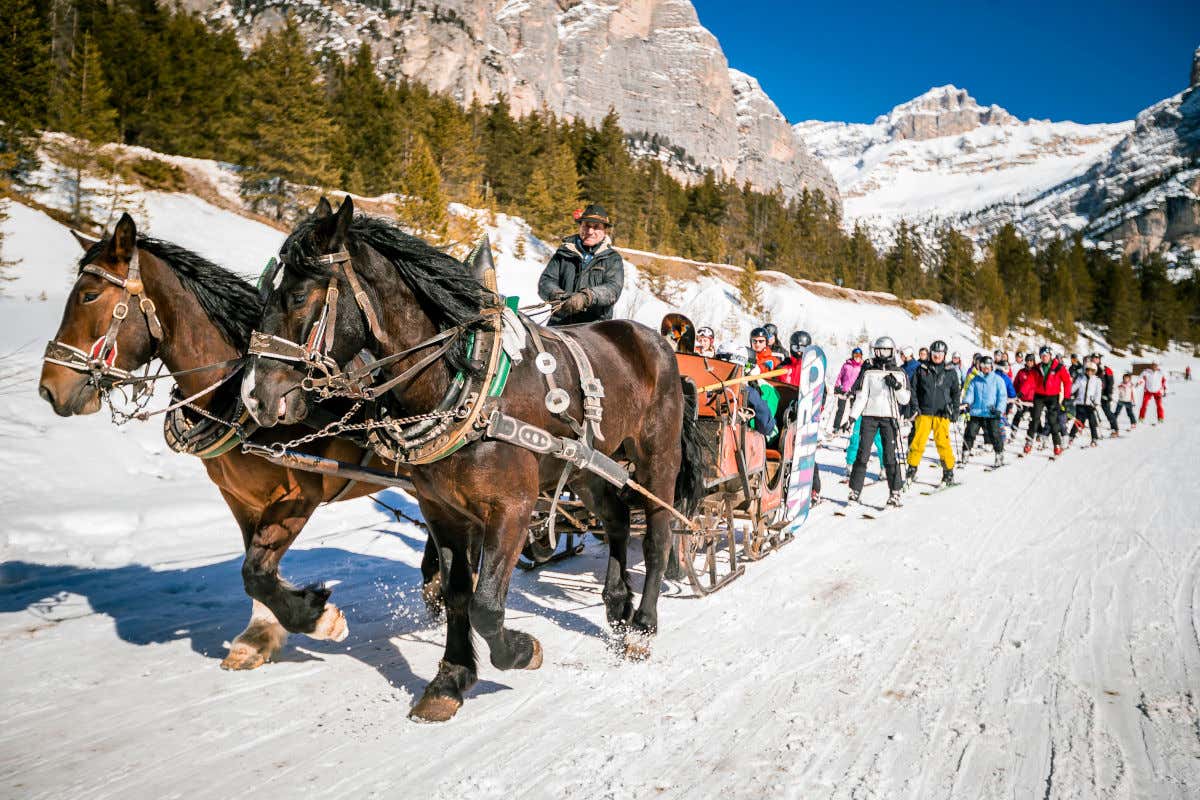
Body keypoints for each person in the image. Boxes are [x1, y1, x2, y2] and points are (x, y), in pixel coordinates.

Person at [846, 336, 910, 507]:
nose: (881, 354)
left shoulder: (899, 373)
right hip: (869, 417)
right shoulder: (869, 372)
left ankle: (895, 492)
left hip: (889, 418)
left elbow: (905, 399)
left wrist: (896, 386)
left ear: (892, 352)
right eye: (878, 351)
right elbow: (862, 397)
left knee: (890, 455)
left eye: (885, 351)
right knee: (862, 454)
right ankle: (854, 491)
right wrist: (852, 416)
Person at [537, 204, 624, 325]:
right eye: (587, 225)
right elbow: (545, 282)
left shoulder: (613, 258)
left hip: (595, 327)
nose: (590, 231)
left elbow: (613, 290)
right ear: (580, 226)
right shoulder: (563, 252)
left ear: (604, 230)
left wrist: (587, 297)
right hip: (560, 323)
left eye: (596, 227)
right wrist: (560, 296)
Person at [905, 339, 960, 487]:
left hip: (942, 413)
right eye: (935, 353)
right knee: (918, 442)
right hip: (924, 412)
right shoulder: (921, 369)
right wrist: (915, 407)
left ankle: (948, 472)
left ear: (944, 354)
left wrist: (955, 410)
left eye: (940, 353)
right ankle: (911, 469)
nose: (937, 356)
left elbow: (956, 393)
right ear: (930, 353)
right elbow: (913, 390)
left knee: (943, 443)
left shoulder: (950, 372)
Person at [781, 330, 822, 502]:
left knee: (804, 450)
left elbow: (821, 391)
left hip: (804, 414)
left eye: (803, 348)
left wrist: (815, 409)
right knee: (785, 449)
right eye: (796, 347)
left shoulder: (813, 368)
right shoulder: (783, 366)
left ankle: (813, 488)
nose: (799, 351)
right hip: (785, 412)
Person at [1022, 346, 1072, 458]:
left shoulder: (1059, 367)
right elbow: (1030, 381)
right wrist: (1022, 392)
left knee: (1052, 421)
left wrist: (1067, 397)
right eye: (1042, 356)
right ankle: (1028, 443)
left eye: (1046, 355)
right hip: (1039, 396)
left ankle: (1057, 445)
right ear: (1040, 356)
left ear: (1050, 356)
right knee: (1035, 419)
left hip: (1053, 397)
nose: (1044, 357)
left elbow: (1067, 382)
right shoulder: (1037, 368)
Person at [961, 356, 1008, 467]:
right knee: (969, 433)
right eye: (983, 366)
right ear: (979, 367)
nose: (985, 368)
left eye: (987, 366)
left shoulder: (998, 380)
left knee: (995, 435)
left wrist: (999, 410)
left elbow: (1002, 397)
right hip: (976, 412)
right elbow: (970, 394)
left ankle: (999, 455)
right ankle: (965, 454)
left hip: (991, 413)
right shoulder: (975, 380)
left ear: (991, 366)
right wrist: (966, 404)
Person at [1069, 361, 1103, 447]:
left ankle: (1094, 438)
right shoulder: (1081, 378)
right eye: (1088, 370)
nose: (1089, 372)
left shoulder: (1097, 380)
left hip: (1090, 404)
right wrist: (1068, 393)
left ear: (1095, 371)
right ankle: (1071, 437)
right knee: (1078, 421)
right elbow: (1074, 387)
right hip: (1080, 403)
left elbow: (1098, 393)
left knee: (1092, 422)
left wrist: (1096, 402)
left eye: (1092, 370)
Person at [831, 347, 865, 432]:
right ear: (852, 355)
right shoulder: (846, 365)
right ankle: (836, 427)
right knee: (840, 410)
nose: (857, 357)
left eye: (859, 355)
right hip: (844, 390)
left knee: (853, 410)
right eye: (855, 355)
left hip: (854, 392)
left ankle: (850, 426)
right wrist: (838, 386)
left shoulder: (862, 367)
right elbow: (840, 376)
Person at [1093, 353, 1119, 436]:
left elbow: (1110, 382)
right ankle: (1092, 428)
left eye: (1096, 358)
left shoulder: (1105, 369)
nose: (1095, 359)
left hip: (1104, 394)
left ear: (1099, 359)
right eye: (1093, 358)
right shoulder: (1089, 368)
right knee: (1089, 412)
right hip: (1093, 394)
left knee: (1107, 412)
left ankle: (1115, 429)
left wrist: (1109, 394)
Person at [1012, 353, 1038, 429]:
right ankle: (1013, 432)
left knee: (1035, 418)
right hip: (1022, 399)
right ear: (1025, 361)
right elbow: (1015, 384)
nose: (1029, 362)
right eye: (1028, 360)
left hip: (1033, 400)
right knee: (1018, 415)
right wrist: (1015, 395)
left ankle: (1037, 435)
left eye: (1031, 360)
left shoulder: (1037, 372)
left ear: (1034, 361)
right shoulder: (1021, 372)